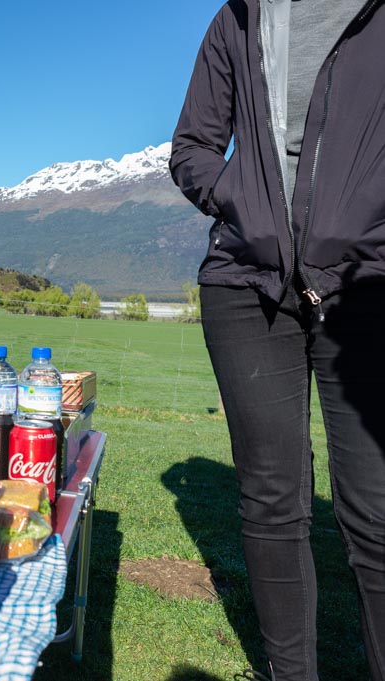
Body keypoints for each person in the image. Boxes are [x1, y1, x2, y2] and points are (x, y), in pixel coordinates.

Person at [171, 1, 385, 679]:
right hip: (245, 283)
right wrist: (243, 199)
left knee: (376, 511)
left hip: (367, 283)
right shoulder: (239, 18)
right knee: (272, 500)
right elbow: (191, 148)